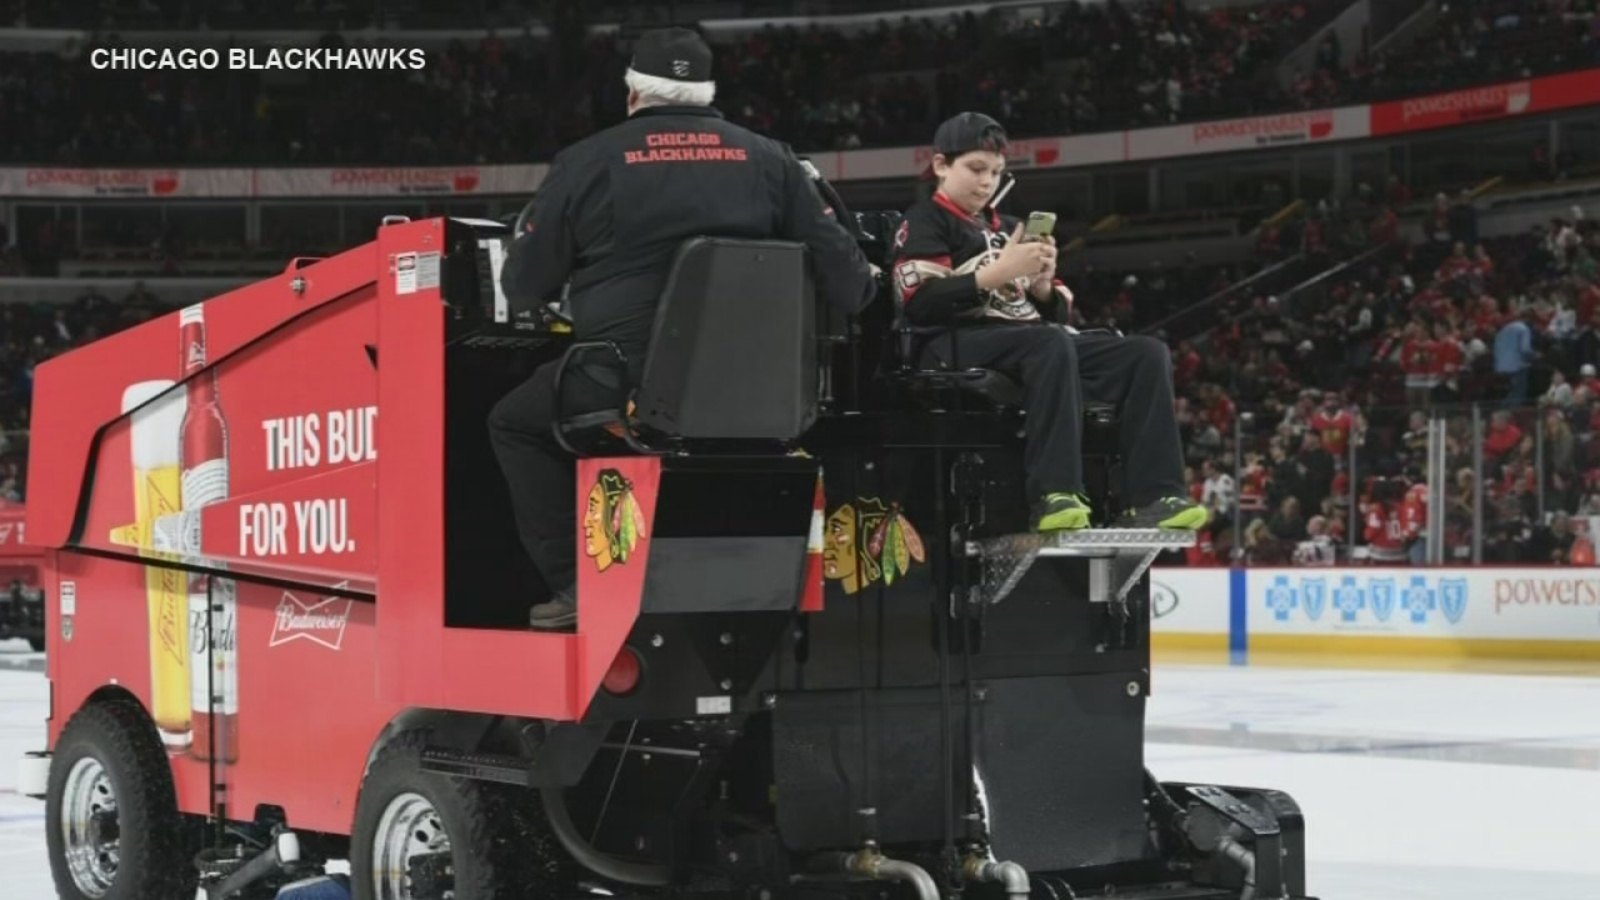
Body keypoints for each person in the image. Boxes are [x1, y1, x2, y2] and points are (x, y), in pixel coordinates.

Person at [491, 27, 877, 630]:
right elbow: (853, 286)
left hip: (626, 387)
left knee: (513, 423)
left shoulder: (588, 161)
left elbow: (522, 287)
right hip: (766, 395)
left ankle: (577, 582)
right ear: (707, 94)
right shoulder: (772, 160)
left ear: (632, 94)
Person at [889, 111, 1205, 532]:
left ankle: (1155, 496)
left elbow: (1056, 314)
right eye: (976, 169)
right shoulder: (925, 221)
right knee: (1049, 342)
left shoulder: (1015, 228)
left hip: (1029, 341)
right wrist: (995, 275)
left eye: (997, 172)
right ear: (942, 166)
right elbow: (918, 302)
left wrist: (1041, 287)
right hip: (953, 342)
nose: (987, 182)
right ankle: (1054, 494)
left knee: (1145, 354)